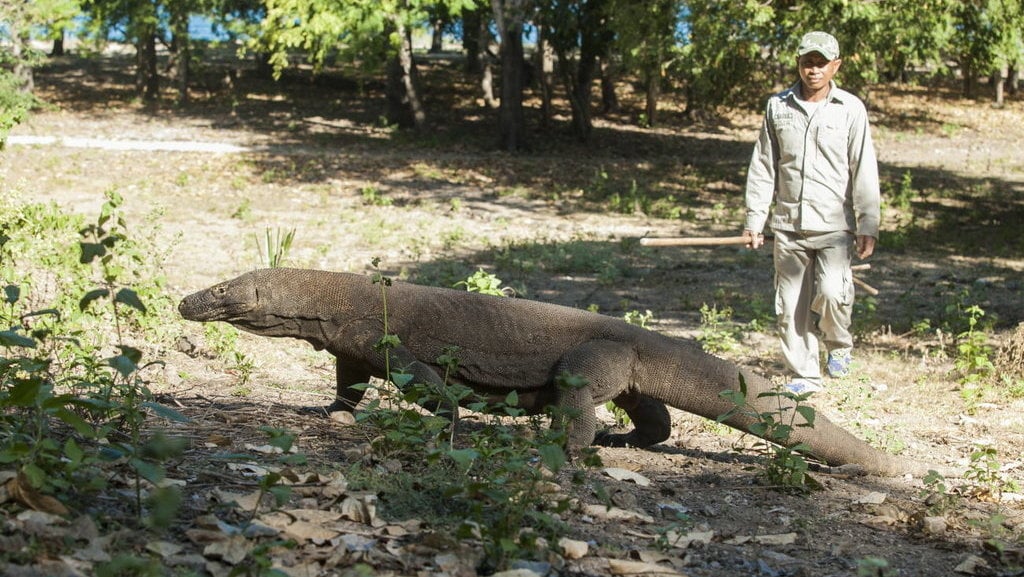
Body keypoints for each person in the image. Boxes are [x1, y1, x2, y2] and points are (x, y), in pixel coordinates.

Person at [741, 31, 880, 395]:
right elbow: (763, 167)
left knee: (833, 293)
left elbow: (863, 168)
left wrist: (868, 223)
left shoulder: (850, 109)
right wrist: (755, 219)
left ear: (836, 66)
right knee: (789, 306)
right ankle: (805, 373)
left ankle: (839, 344)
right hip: (788, 226)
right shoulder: (778, 107)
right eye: (807, 62)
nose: (813, 69)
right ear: (798, 63)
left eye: (821, 63)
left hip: (835, 226)